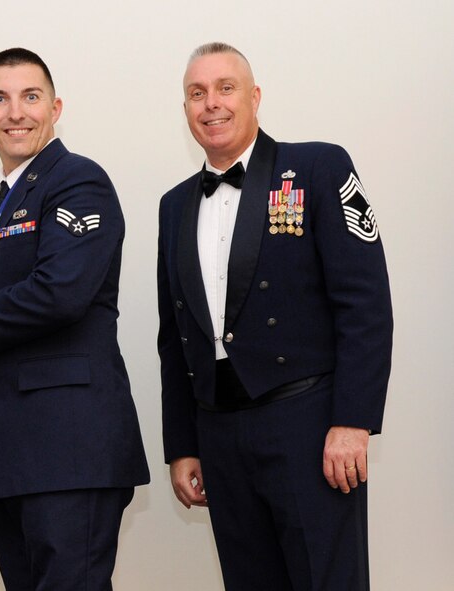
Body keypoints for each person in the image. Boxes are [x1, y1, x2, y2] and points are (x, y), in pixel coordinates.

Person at [0, 48, 150, 590]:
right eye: (0, 99)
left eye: (30, 97)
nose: (16, 112)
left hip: (70, 452)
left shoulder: (79, 180)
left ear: (55, 107)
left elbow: (59, 294)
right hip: (13, 456)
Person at [157, 42, 393, 590]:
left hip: (308, 426)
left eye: (225, 88)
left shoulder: (316, 165)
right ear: (185, 107)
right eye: (197, 93)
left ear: (255, 96)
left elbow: (365, 302)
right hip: (218, 433)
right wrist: (183, 444)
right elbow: (175, 338)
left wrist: (353, 420)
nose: (211, 104)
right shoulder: (173, 205)